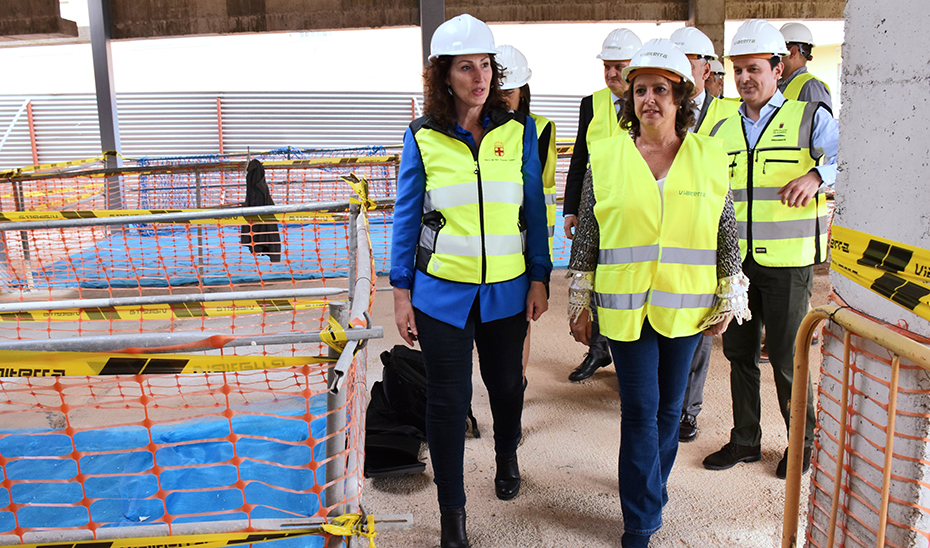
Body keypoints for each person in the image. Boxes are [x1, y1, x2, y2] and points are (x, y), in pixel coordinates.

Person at [567, 39, 749, 547]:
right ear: (631, 99)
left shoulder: (709, 157)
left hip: (686, 309)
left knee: (672, 411)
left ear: (680, 97)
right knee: (640, 413)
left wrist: (729, 296)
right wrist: (579, 300)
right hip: (626, 310)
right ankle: (641, 521)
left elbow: (724, 231)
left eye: (661, 90)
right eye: (641, 89)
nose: (650, 99)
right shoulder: (606, 157)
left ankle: (654, 486)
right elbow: (588, 237)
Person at [390, 14, 551, 548]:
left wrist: (539, 277)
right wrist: (400, 292)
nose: (479, 77)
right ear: (444, 75)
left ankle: (508, 452)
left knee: (506, 386)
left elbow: (534, 206)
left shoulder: (517, 130)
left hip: (506, 289)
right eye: (466, 67)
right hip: (442, 293)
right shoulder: (422, 137)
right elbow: (406, 216)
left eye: (485, 65)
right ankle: (452, 514)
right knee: (447, 399)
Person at [702, 19, 839, 479]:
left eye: (754, 68)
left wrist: (818, 176)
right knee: (739, 354)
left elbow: (850, 157)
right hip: (735, 263)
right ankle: (745, 440)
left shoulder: (807, 116)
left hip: (788, 263)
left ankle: (803, 445)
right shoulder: (719, 122)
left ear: (778, 68)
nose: (744, 79)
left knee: (786, 357)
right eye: (738, 70)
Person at [669, 26, 742, 442]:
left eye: (691, 61)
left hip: (710, 232)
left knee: (701, 326)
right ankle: (666, 400)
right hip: (666, 232)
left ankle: (688, 409)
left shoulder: (728, 115)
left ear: (707, 67)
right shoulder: (659, 104)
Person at [563, 27, 642, 382]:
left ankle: (631, 354)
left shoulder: (652, 103)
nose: (612, 74)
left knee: (627, 280)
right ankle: (598, 349)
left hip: (635, 212)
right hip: (596, 210)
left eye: (620, 67)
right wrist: (570, 208)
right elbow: (579, 159)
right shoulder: (591, 104)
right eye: (607, 66)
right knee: (592, 277)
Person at [496, 44, 557, 374]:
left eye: (511, 90)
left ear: (523, 91)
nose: (504, 97)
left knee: (521, 319)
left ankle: (516, 383)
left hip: (528, 242)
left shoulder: (541, 129)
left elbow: (540, 190)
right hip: (492, 242)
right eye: (498, 89)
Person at [778, 22, 833, 111]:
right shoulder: (778, 85)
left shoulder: (812, 87)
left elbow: (820, 123)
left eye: (778, 51)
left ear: (792, 52)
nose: (774, 57)